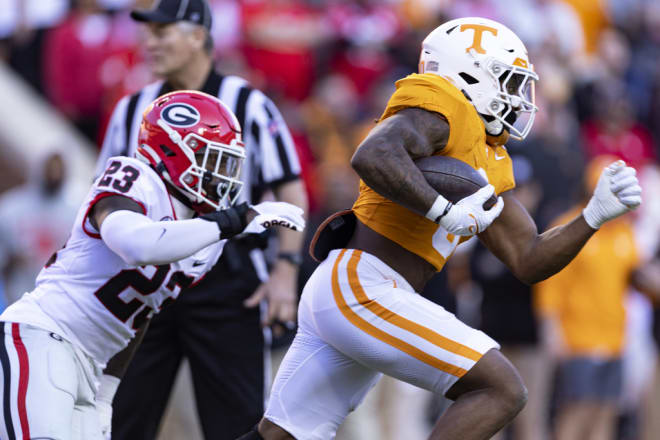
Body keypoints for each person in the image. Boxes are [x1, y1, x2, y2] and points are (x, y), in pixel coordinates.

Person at [243, 17, 643, 440]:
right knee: (500, 388)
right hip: (362, 286)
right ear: (469, 73)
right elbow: (373, 154)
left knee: (278, 436)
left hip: (355, 289)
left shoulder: (486, 153)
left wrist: (592, 218)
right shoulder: (444, 103)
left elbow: (528, 258)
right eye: (508, 80)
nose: (519, 97)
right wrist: (441, 210)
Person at [0, 90, 305, 440]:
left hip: (91, 366)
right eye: (212, 160)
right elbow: (136, 245)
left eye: (228, 165)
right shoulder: (133, 177)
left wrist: (106, 394)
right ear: (173, 150)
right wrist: (231, 222)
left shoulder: (205, 242)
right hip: (43, 337)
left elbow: (140, 313)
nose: (222, 177)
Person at [95, 0, 308, 438]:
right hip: (145, 281)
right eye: (147, 33)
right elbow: (104, 195)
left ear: (198, 35)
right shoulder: (131, 108)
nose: (148, 43)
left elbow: (289, 189)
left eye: (161, 31)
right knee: (119, 418)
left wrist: (286, 271)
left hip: (228, 280)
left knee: (236, 421)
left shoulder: (248, 103)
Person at [534, 156, 656, 440]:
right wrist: (551, 329)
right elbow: (551, 284)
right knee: (577, 410)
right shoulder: (570, 226)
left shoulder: (624, 233)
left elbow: (638, 276)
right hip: (578, 338)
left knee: (606, 411)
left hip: (615, 338)